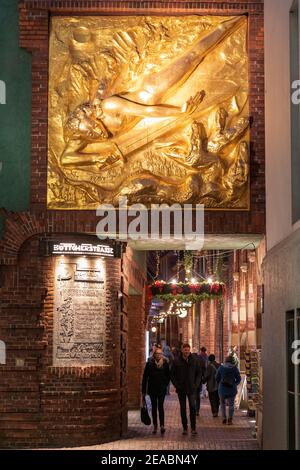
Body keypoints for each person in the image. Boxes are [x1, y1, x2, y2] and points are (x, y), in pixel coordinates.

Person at [60, 17, 244, 170]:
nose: (97, 132)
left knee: (192, 57)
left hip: (153, 90)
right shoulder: (80, 134)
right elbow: (65, 159)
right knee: (193, 59)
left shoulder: (110, 106)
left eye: (93, 127)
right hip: (150, 100)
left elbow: (148, 111)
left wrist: (179, 111)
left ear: (93, 118)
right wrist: (97, 158)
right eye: (91, 135)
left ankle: (227, 26)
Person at [170, 343, 202, 435]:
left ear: (189, 350)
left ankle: (193, 428)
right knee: (183, 408)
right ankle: (185, 427)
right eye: (185, 350)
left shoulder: (195, 360)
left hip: (192, 388)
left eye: (188, 350)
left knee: (193, 408)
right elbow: (172, 374)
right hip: (181, 389)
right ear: (182, 350)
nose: (186, 351)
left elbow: (199, 373)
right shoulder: (176, 361)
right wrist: (176, 385)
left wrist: (196, 384)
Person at [142, 347, 170, 434]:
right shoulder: (149, 363)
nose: (158, 355)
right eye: (157, 354)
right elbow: (145, 377)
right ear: (154, 355)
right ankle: (155, 426)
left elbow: (168, 376)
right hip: (152, 388)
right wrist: (143, 390)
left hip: (161, 388)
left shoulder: (165, 364)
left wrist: (165, 384)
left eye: (160, 354)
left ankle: (162, 425)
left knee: (160, 407)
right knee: (154, 407)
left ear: (162, 355)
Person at [216, 355, 241, 425]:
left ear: (225, 361)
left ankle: (224, 418)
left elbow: (216, 377)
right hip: (232, 389)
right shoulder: (234, 368)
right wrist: (235, 384)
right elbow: (239, 379)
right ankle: (230, 419)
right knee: (231, 405)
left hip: (222, 389)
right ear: (232, 361)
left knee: (222, 404)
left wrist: (219, 383)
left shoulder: (221, 368)